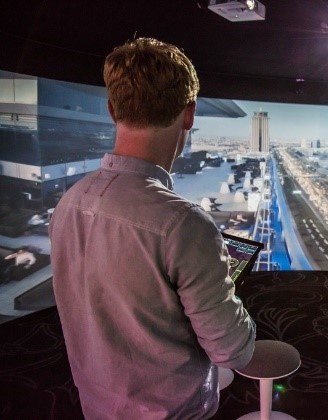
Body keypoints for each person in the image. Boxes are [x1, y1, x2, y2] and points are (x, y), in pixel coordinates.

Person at [49, 38, 256, 419]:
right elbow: (233, 352)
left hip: (95, 407)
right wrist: (223, 290)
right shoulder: (183, 225)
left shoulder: (68, 203)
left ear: (113, 110)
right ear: (189, 115)